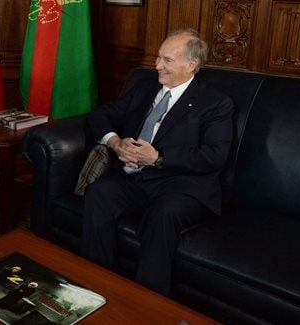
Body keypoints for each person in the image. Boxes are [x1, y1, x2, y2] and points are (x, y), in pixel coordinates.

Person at [81, 29, 234, 295]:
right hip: (135, 178)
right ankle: (98, 287)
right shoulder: (145, 87)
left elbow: (214, 156)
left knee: (163, 215)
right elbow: (101, 114)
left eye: (167, 60)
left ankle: (147, 303)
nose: (157, 66)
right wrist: (115, 143)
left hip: (180, 186)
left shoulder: (215, 104)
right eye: (158, 58)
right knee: (99, 193)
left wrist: (158, 157)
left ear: (191, 65)